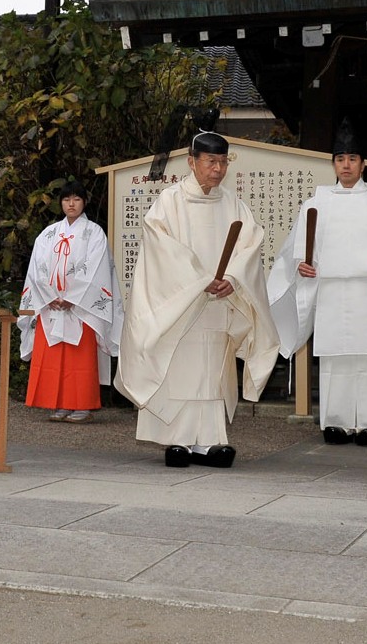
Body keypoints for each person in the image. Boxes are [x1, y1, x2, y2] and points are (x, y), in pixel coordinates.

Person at [115, 130, 280, 468]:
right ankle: (176, 440)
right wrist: (199, 280)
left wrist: (233, 278)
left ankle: (209, 441)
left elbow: (250, 245)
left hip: (219, 303)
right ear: (192, 162)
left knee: (212, 373)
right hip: (183, 304)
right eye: (210, 161)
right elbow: (162, 248)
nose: (217, 169)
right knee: (179, 366)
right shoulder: (170, 202)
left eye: (222, 162)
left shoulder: (233, 204)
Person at [268, 118, 367, 446]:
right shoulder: (316, 203)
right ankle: (336, 421)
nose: (346, 165)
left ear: (362, 164)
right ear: (333, 163)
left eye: (352, 159)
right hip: (331, 291)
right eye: (340, 159)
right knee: (336, 357)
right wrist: (302, 265)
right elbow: (295, 249)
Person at [17, 179, 123, 424]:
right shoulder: (49, 233)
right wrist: (50, 296)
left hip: (80, 308)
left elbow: (96, 268)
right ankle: (59, 403)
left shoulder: (94, 232)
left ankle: (82, 405)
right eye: (66, 199)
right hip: (51, 304)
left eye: (76, 199)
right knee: (53, 355)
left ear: (84, 201)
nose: (71, 204)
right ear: (61, 203)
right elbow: (37, 268)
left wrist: (72, 297)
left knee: (80, 357)